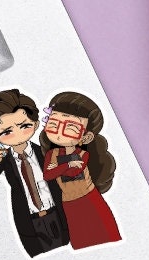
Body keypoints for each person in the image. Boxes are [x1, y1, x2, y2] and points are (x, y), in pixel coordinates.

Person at [0, 89, 67, 258]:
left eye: (24, 126)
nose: (17, 134)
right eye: (6, 132)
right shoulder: (4, 160)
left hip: (57, 212)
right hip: (30, 221)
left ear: (36, 124)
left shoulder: (45, 151)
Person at [40, 91, 122, 250]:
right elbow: (48, 175)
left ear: (86, 137)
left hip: (90, 199)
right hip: (69, 204)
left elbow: (71, 173)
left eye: (70, 128)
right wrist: (68, 165)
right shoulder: (52, 153)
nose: (58, 133)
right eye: (54, 124)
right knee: (81, 242)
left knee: (106, 238)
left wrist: (60, 168)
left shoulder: (83, 154)